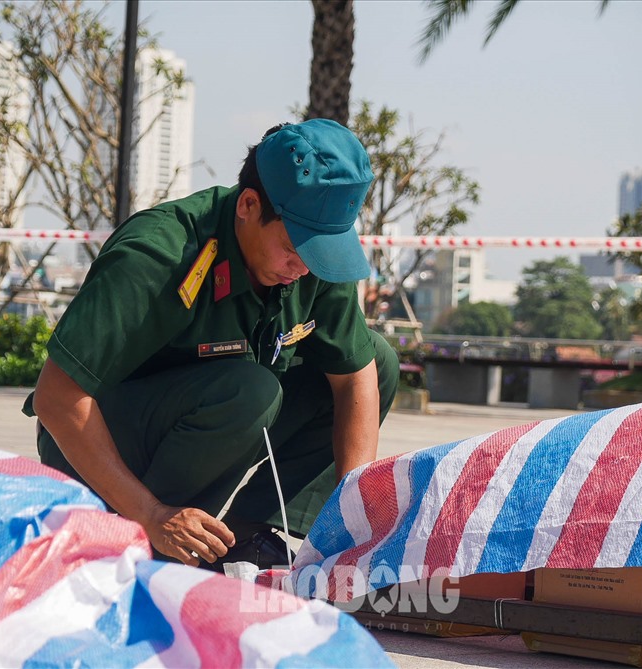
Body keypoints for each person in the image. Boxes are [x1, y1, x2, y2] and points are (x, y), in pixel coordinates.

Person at [23, 119, 399, 569]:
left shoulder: (310, 263)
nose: (303, 268)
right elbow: (57, 399)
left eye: (322, 251)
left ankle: (242, 535)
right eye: (295, 246)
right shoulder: (159, 252)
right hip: (97, 452)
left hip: (217, 420)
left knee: (377, 360)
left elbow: (356, 378)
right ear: (248, 204)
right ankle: (146, 544)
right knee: (252, 391)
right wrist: (151, 515)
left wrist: (351, 527)